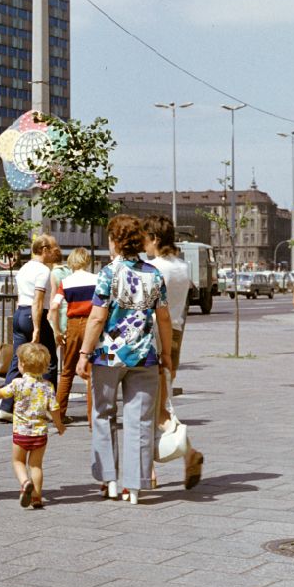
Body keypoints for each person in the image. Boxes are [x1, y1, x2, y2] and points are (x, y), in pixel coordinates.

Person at [77, 214, 172, 506]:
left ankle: (110, 481)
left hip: (108, 356)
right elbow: (164, 318)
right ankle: (135, 485)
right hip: (144, 356)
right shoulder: (154, 274)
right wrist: (166, 353)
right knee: (140, 420)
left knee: (103, 415)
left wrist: (84, 354)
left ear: (116, 242)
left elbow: (96, 317)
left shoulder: (108, 273)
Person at [143, 214, 204, 489]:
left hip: (154, 334)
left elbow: (147, 307)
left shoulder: (152, 267)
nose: (143, 245)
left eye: (145, 239)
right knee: (158, 403)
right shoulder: (182, 267)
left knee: (152, 407)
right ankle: (155, 467)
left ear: (154, 239)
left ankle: (182, 455)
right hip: (176, 334)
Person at [0, 343, 65, 509]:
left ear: (21, 364)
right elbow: (55, 409)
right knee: (36, 465)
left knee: (18, 461)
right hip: (40, 434)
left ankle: (25, 482)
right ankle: (37, 497)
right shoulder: (47, 386)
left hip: (21, 433)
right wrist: (59, 426)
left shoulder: (17, 384)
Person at [0, 235, 60, 424]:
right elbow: (38, 300)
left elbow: (21, 297)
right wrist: (38, 327)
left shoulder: (23, 269)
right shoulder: (43, 271)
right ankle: (48, 408)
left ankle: (5, 407)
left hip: (20, 314)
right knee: (50, 360)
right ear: (44, 249)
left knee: (17, 360)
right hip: (33, 315)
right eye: (53, 248)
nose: (56, 251)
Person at [49, 247, 98, 424]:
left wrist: (57, 330)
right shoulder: (96, 279)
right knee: (92, 372)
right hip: (92, 324)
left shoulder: (67, 282)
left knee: (67, 371)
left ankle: (59, 415)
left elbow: (54, 307)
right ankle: (93, 419)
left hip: (73, 325)